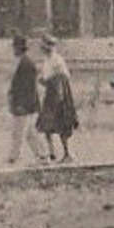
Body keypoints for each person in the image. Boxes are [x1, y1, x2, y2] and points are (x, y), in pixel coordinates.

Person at [36, 32, 79, 162]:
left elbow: (62, 79)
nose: (45, 50)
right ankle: (52, 152)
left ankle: (67, 153)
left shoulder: (57, 60)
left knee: (62, 125)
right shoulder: (46, 60)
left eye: (47, 47)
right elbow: (45, 78)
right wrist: (42, 80)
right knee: (46, 125)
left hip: (59, 94)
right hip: (50, 94)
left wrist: (59, 97)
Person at [6, 35, 41, 164]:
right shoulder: (23, 62)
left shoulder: (26, 64)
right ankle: (42, 156)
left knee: (18, 132)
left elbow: (28, 88)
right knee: (29, 133)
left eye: (15, 48)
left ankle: (13, 157)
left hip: (24, 104)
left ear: (19, 49)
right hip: (23, 103)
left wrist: (21, 104)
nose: (13, 50)